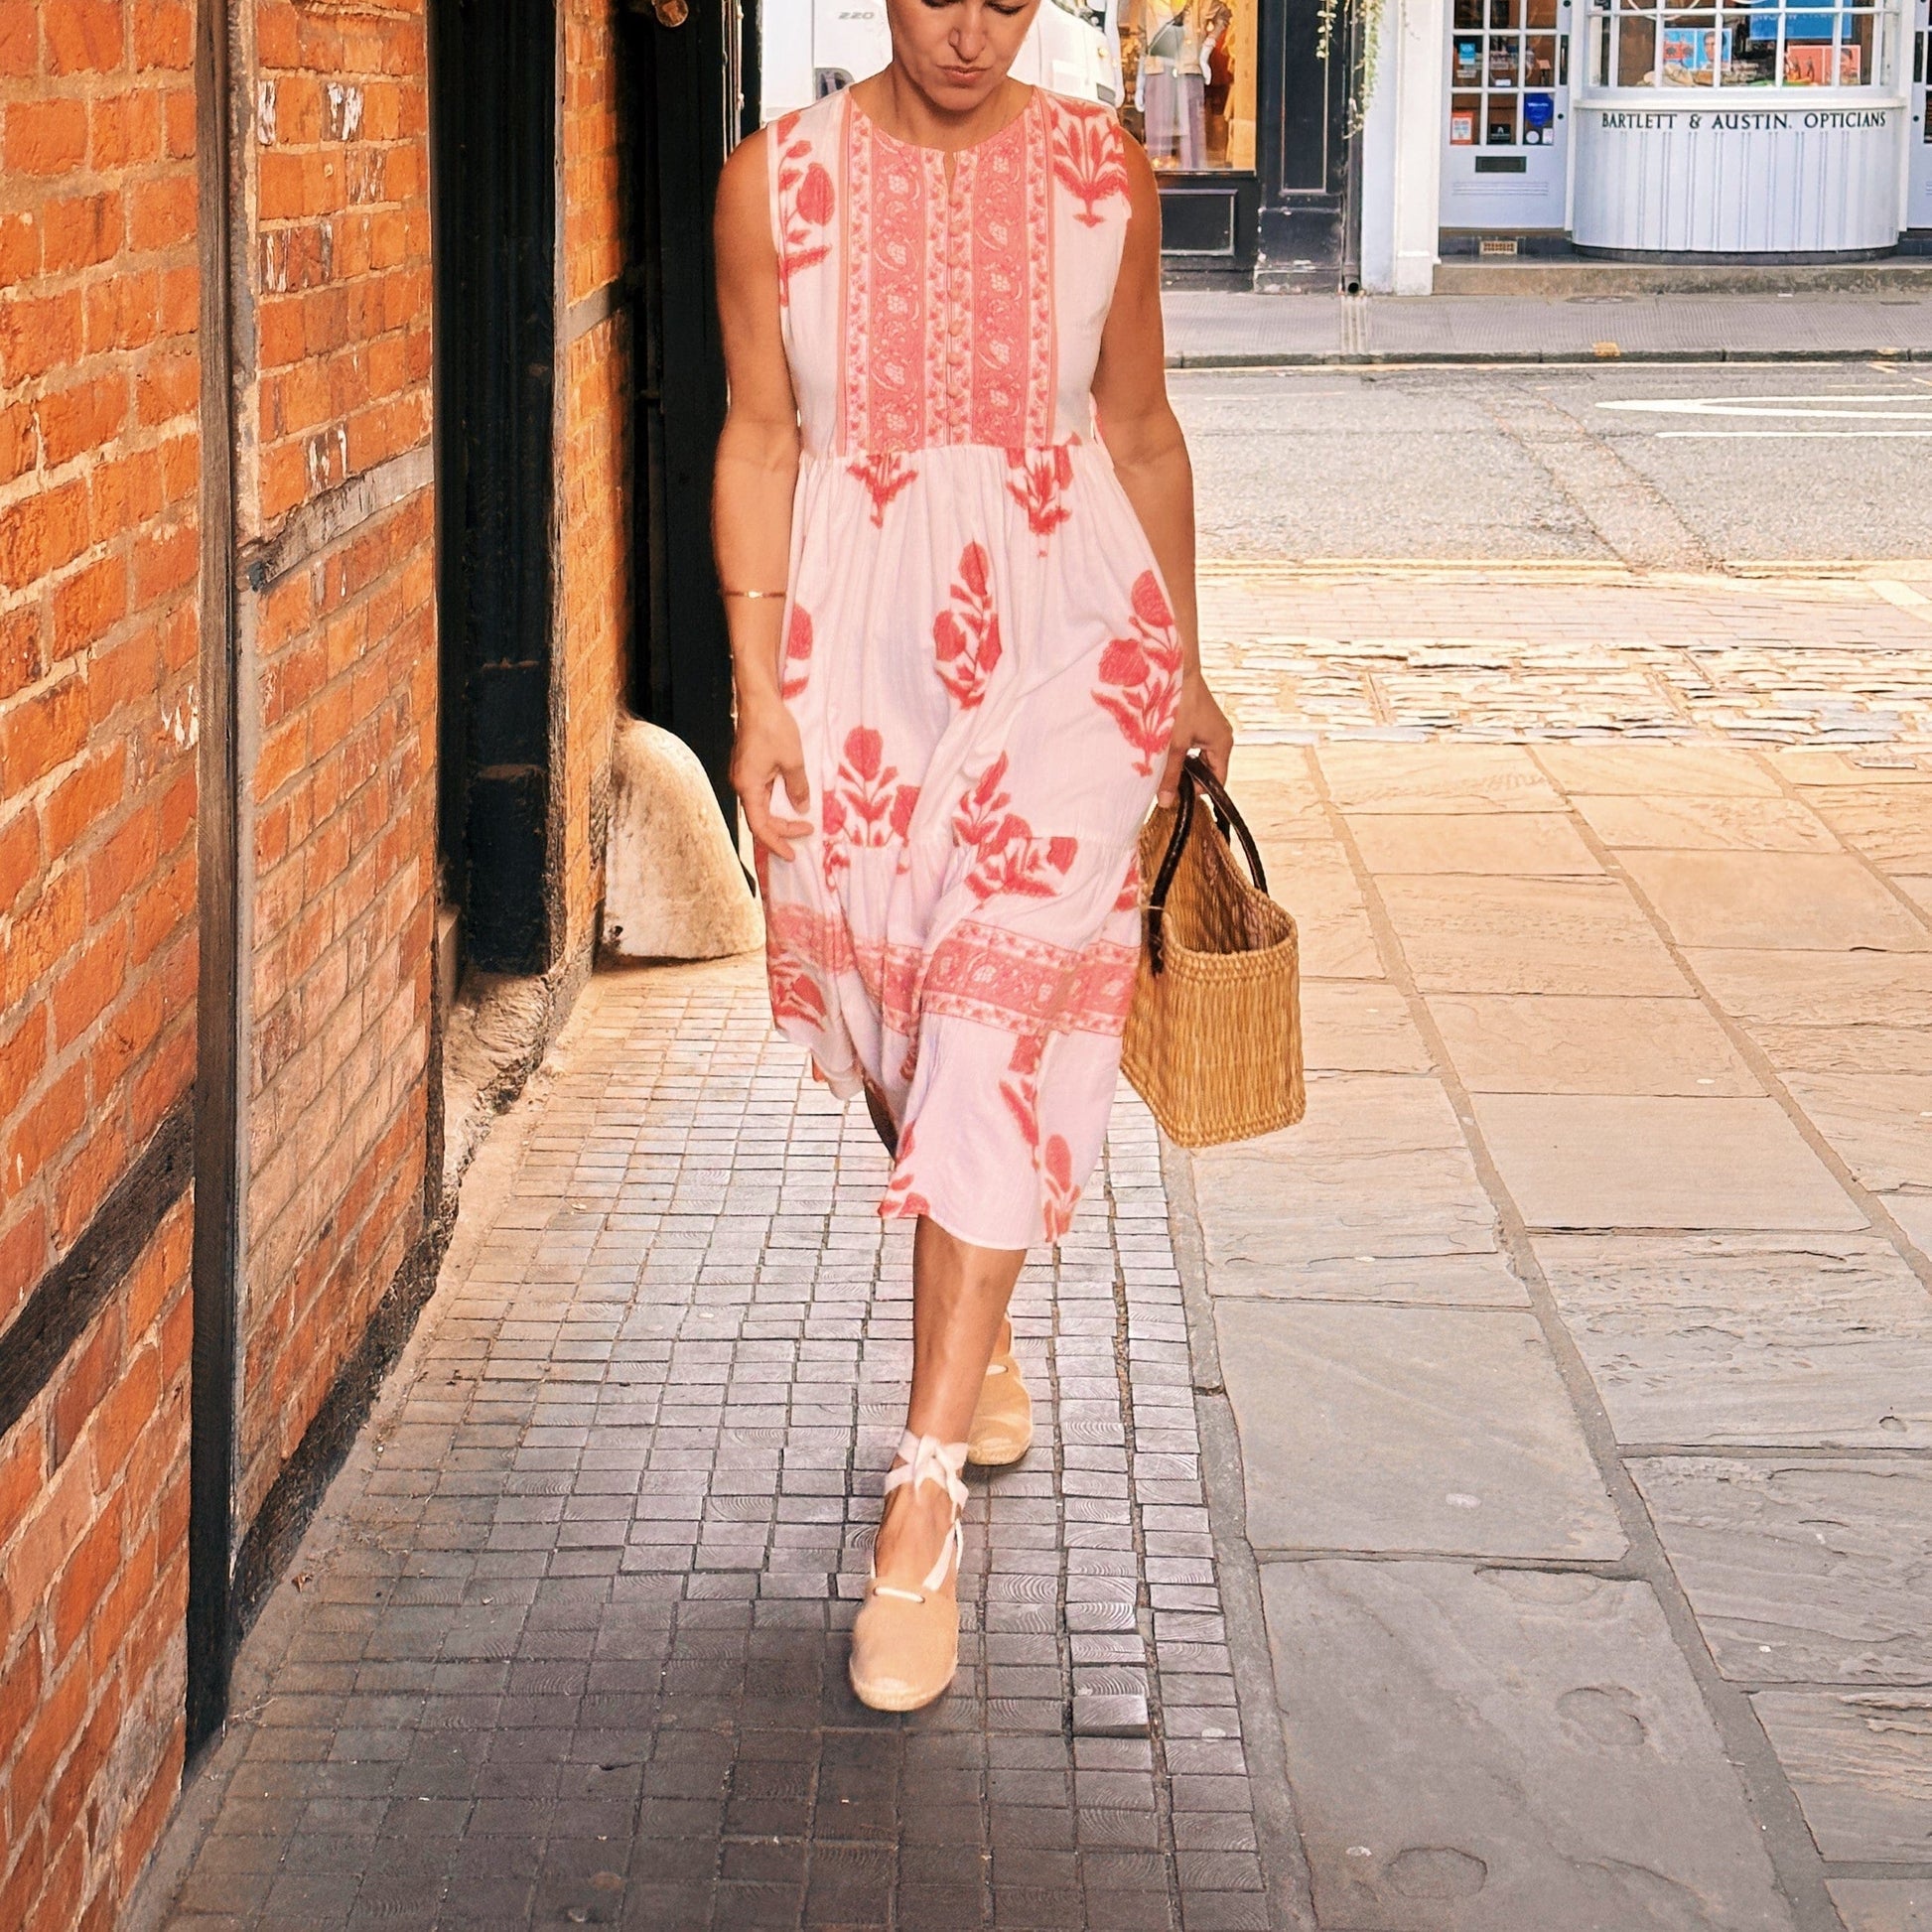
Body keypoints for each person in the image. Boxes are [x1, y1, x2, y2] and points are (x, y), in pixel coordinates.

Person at [711, 0, 1232, 1714]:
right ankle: (978, 1317)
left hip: (1071, 646)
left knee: (999, 1019)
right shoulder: (772, 183)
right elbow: (763, 437)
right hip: (856, 664)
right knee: (904, 1023)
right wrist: (753, 684)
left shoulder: (1104, 174)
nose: (968, 28)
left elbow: (1138, 428)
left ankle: (917, 1504)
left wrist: (1192, 670)